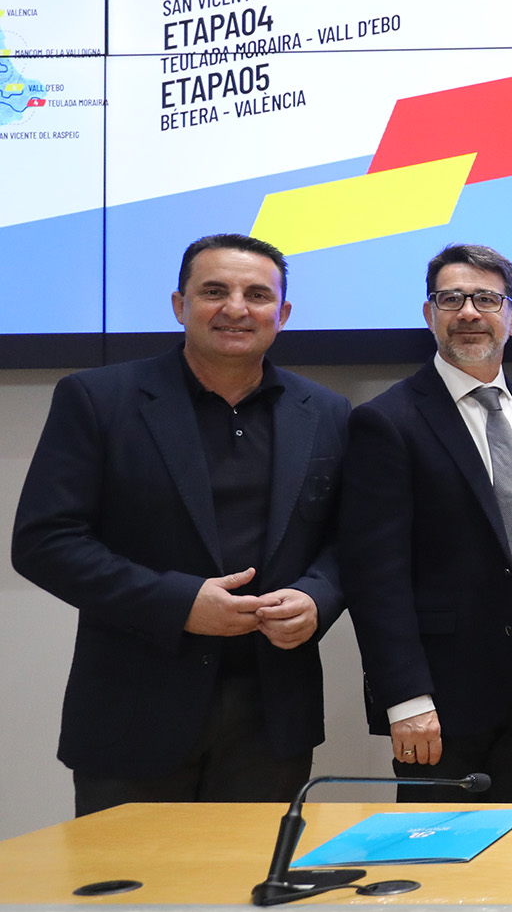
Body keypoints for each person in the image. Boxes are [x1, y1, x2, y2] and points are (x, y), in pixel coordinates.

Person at [14, 234, 348, 815]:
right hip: (134, 710)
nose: (236, 308)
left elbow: (349, 540)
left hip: (271, 716)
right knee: (126, 876)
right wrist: (180, 604)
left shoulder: (326, 411)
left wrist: (318, 597)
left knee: (253, 875)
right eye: (214, 291)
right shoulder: (97, 399)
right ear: (179, 305)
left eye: (257, 295)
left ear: (283, 313)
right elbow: (45, 541)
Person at [341, 244, 512, 803]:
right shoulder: (386, 421)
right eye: (451, 299)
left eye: (486, 299)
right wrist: (406, 699)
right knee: (435, 846)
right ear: (428, 313)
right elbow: (375, 578)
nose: (468, 313)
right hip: (441, 697)